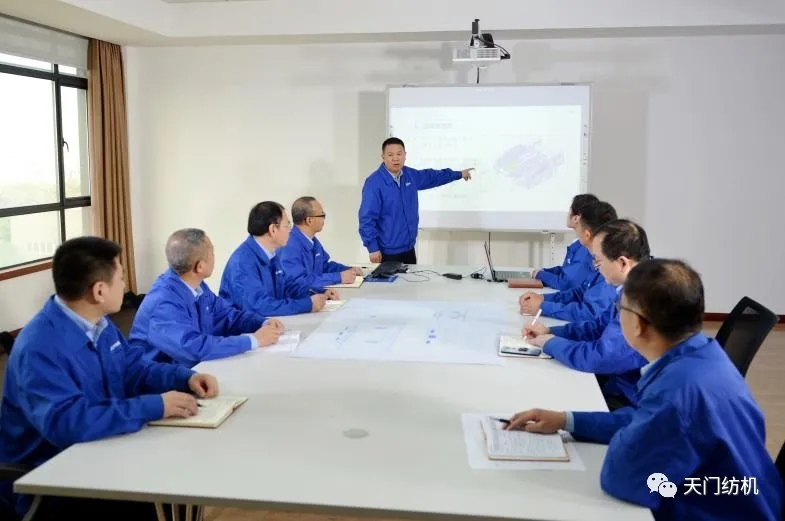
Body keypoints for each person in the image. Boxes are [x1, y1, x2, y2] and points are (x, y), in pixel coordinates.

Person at [507, 258, 784, 521]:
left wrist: (627, 438)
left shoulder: (677, 392)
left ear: (638, 324)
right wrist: (567, 420)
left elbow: (622, 479)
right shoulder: (701, 355)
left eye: (619, 309)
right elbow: (645, 419)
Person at [0, 237, 219, 520]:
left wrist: (184, 378)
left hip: (100, 450)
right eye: (121, 278)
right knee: (147, 493)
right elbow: (69, 423)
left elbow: (134, 369)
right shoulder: (39, 347)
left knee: (171, 475)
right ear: (100, 291)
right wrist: (155, 406)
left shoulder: (99, 324)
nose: (125, 286)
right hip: (50, 476)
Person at [523, 219, 651, 409]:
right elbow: (598, 326)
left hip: (628, 400)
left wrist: (549, 343)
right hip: (616, 380)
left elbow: (600, 358)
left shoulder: (643, 299)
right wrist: (551, 331)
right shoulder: (630, 287)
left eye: (598, 261)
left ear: (622, 263)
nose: (595, 267)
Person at [128, 228, 286, 368]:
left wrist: (261, 322)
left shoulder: (196, 285)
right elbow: (193, 348)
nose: (214, 256)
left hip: (195, 369)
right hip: (161, 383)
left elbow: (226, 315)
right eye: (212, 252)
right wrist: (253, 340)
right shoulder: (163, 302)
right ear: (200, 266)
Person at [358, 137, 474, 265]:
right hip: (387, 253)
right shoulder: (374, 183)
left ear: (405, 155)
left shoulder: (410, 175)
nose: (395, 158)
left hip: (409, 249)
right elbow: (367, 218)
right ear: (383, 157)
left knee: (412, 279)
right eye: (390, 155)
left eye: (399, 154)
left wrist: (458, 174)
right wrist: (373, 248)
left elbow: (432, 177)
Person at [219, 201, 338, 317]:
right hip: (248, 327)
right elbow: (260, 307)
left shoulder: (271, 254)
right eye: (287, 225)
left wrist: (318, 294)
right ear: (273, 229)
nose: (290, 230)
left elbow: (288, 287)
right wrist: (307, 304)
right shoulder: (242, 263)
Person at [519, 201, 618, 322]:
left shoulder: (609, 267)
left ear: (587, 234)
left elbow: (589, 313)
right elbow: (580, 292)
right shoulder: (600, 260)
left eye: (579, 220)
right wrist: (543, 299)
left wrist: (543, 307)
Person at [278, 196, 363, 291]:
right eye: (322, 215)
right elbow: (299, 282)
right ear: (309, 220)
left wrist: (348, 269)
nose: (324, 219)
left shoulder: (312, 240)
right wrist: (339, 277)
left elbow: (323, 266)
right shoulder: (289, 246)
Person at [532, 193, 599, 291]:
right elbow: (567, 271)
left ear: (576, 218)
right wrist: (545, 271)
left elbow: (566, 284)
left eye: (570, 210)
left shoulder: (585, 248)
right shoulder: (579, 243)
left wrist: (540, 275)